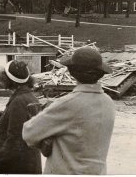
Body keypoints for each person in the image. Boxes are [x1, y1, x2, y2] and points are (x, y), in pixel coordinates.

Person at [23, 47, 116, 175]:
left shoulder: (66, 103)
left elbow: (28, 133)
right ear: (100, 73)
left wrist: (47, 134)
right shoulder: (108, 103)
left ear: (72, 72)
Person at [0, 60, 42, 174]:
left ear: (6, 79)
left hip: (16, 167)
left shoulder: (18, 102)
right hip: (31, 163)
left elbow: (14, 140)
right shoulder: (32, 97)